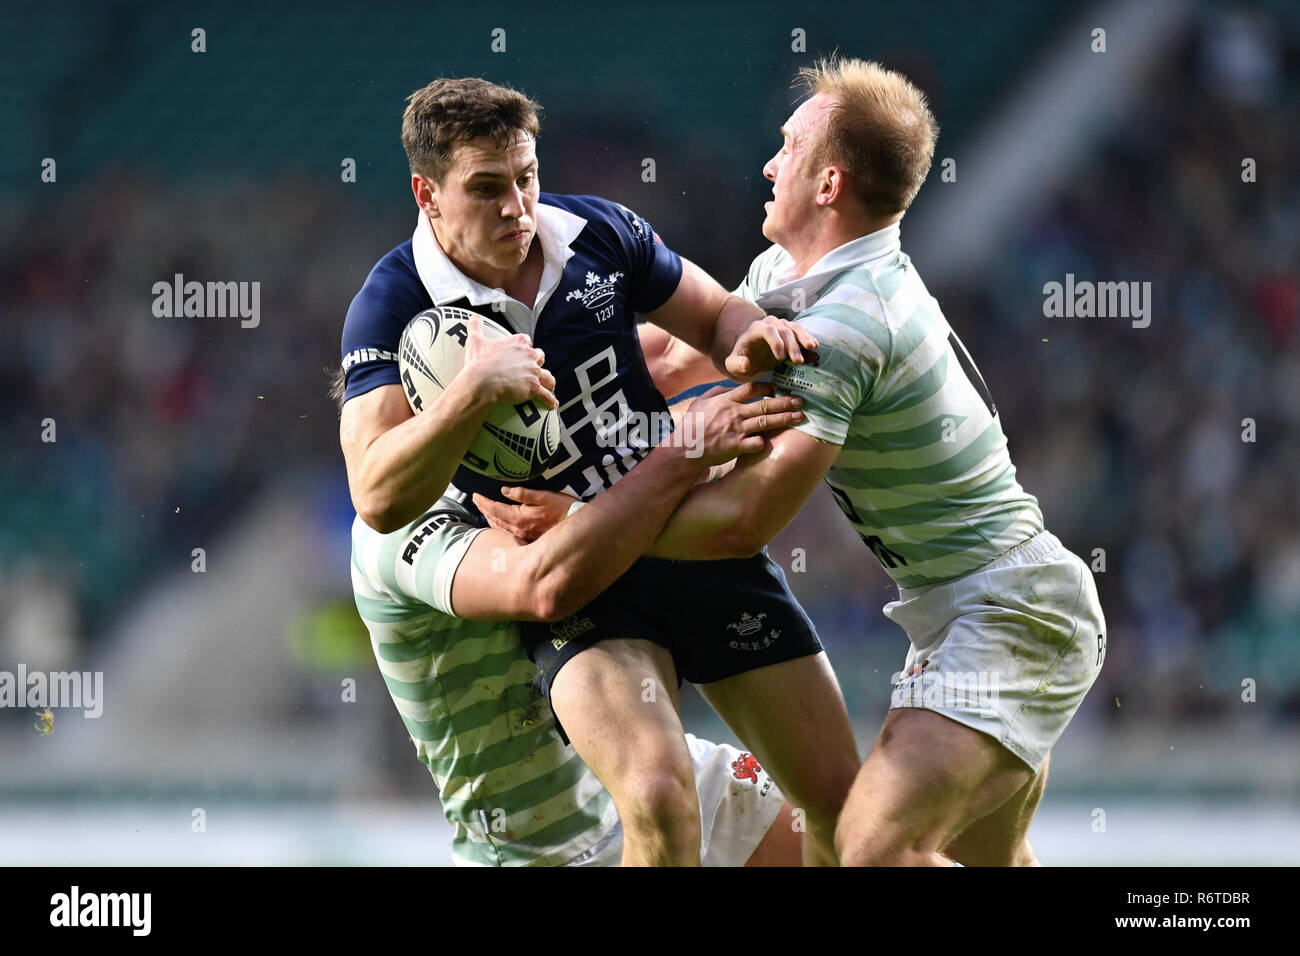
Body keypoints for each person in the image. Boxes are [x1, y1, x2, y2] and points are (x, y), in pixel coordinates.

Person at [480, 58, 1106, 867]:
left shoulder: (844, 326)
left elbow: (745, 520)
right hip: (974, 610)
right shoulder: (791, 278)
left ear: (828, 183)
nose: (770, 164)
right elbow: (672, 360)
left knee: (870, 849)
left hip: (1011, 612)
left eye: (789, 147)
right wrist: (507, 372)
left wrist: (589, 523)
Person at [336, 77, 860, 865]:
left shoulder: (596, 231)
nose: (517, 207)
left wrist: (753, 336)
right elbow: (376, 495)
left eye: (526, 176)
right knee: (654, 794)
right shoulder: (392, 305)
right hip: (584, 572)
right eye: (486, 188)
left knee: (844, 809)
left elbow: (716, 316)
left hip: (686, 539)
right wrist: (474, 390)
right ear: (427, 194)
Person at [344, 318, 804, 865]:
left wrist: (777, 319)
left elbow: (674, 352)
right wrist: (680, 455)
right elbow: (541, 584)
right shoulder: (396, 532)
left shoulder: (521, 458)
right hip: (547, 850)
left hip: (666, 779)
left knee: (861, 836)